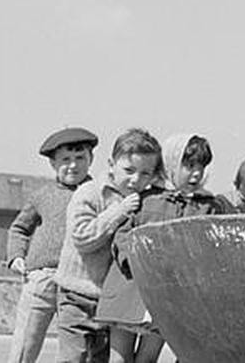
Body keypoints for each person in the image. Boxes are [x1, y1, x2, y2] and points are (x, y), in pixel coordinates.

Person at [97, 133, 225, 363]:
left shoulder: (209, 207)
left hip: (169, 297)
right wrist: (134, 260)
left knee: (147, 359)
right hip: (129, 286)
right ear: (171, 163)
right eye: (189, 165)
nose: (196, 173)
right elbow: (122, 234)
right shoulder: (146, 198)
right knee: (118, 359)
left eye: (201, 166)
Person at [55, 127, 163, 363]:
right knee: (73, 358)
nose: (136, 179)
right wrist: (119, 211)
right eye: (129, 170)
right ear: (111, 164)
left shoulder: (146, 202)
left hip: (110, 301)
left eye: (145, 173)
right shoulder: (90, 193)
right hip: (77, 296)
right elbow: (82, 238)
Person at [5, 127, 98, 363]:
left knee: (76, 350)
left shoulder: (99, 195)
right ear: (53, 163)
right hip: (43, 278)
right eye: (65, 159)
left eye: (80, 158)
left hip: (80, 283)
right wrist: (17, 256)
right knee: (25, 343)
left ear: (91, 160)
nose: (73, 165)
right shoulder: (42, 195)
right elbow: (19, 228)